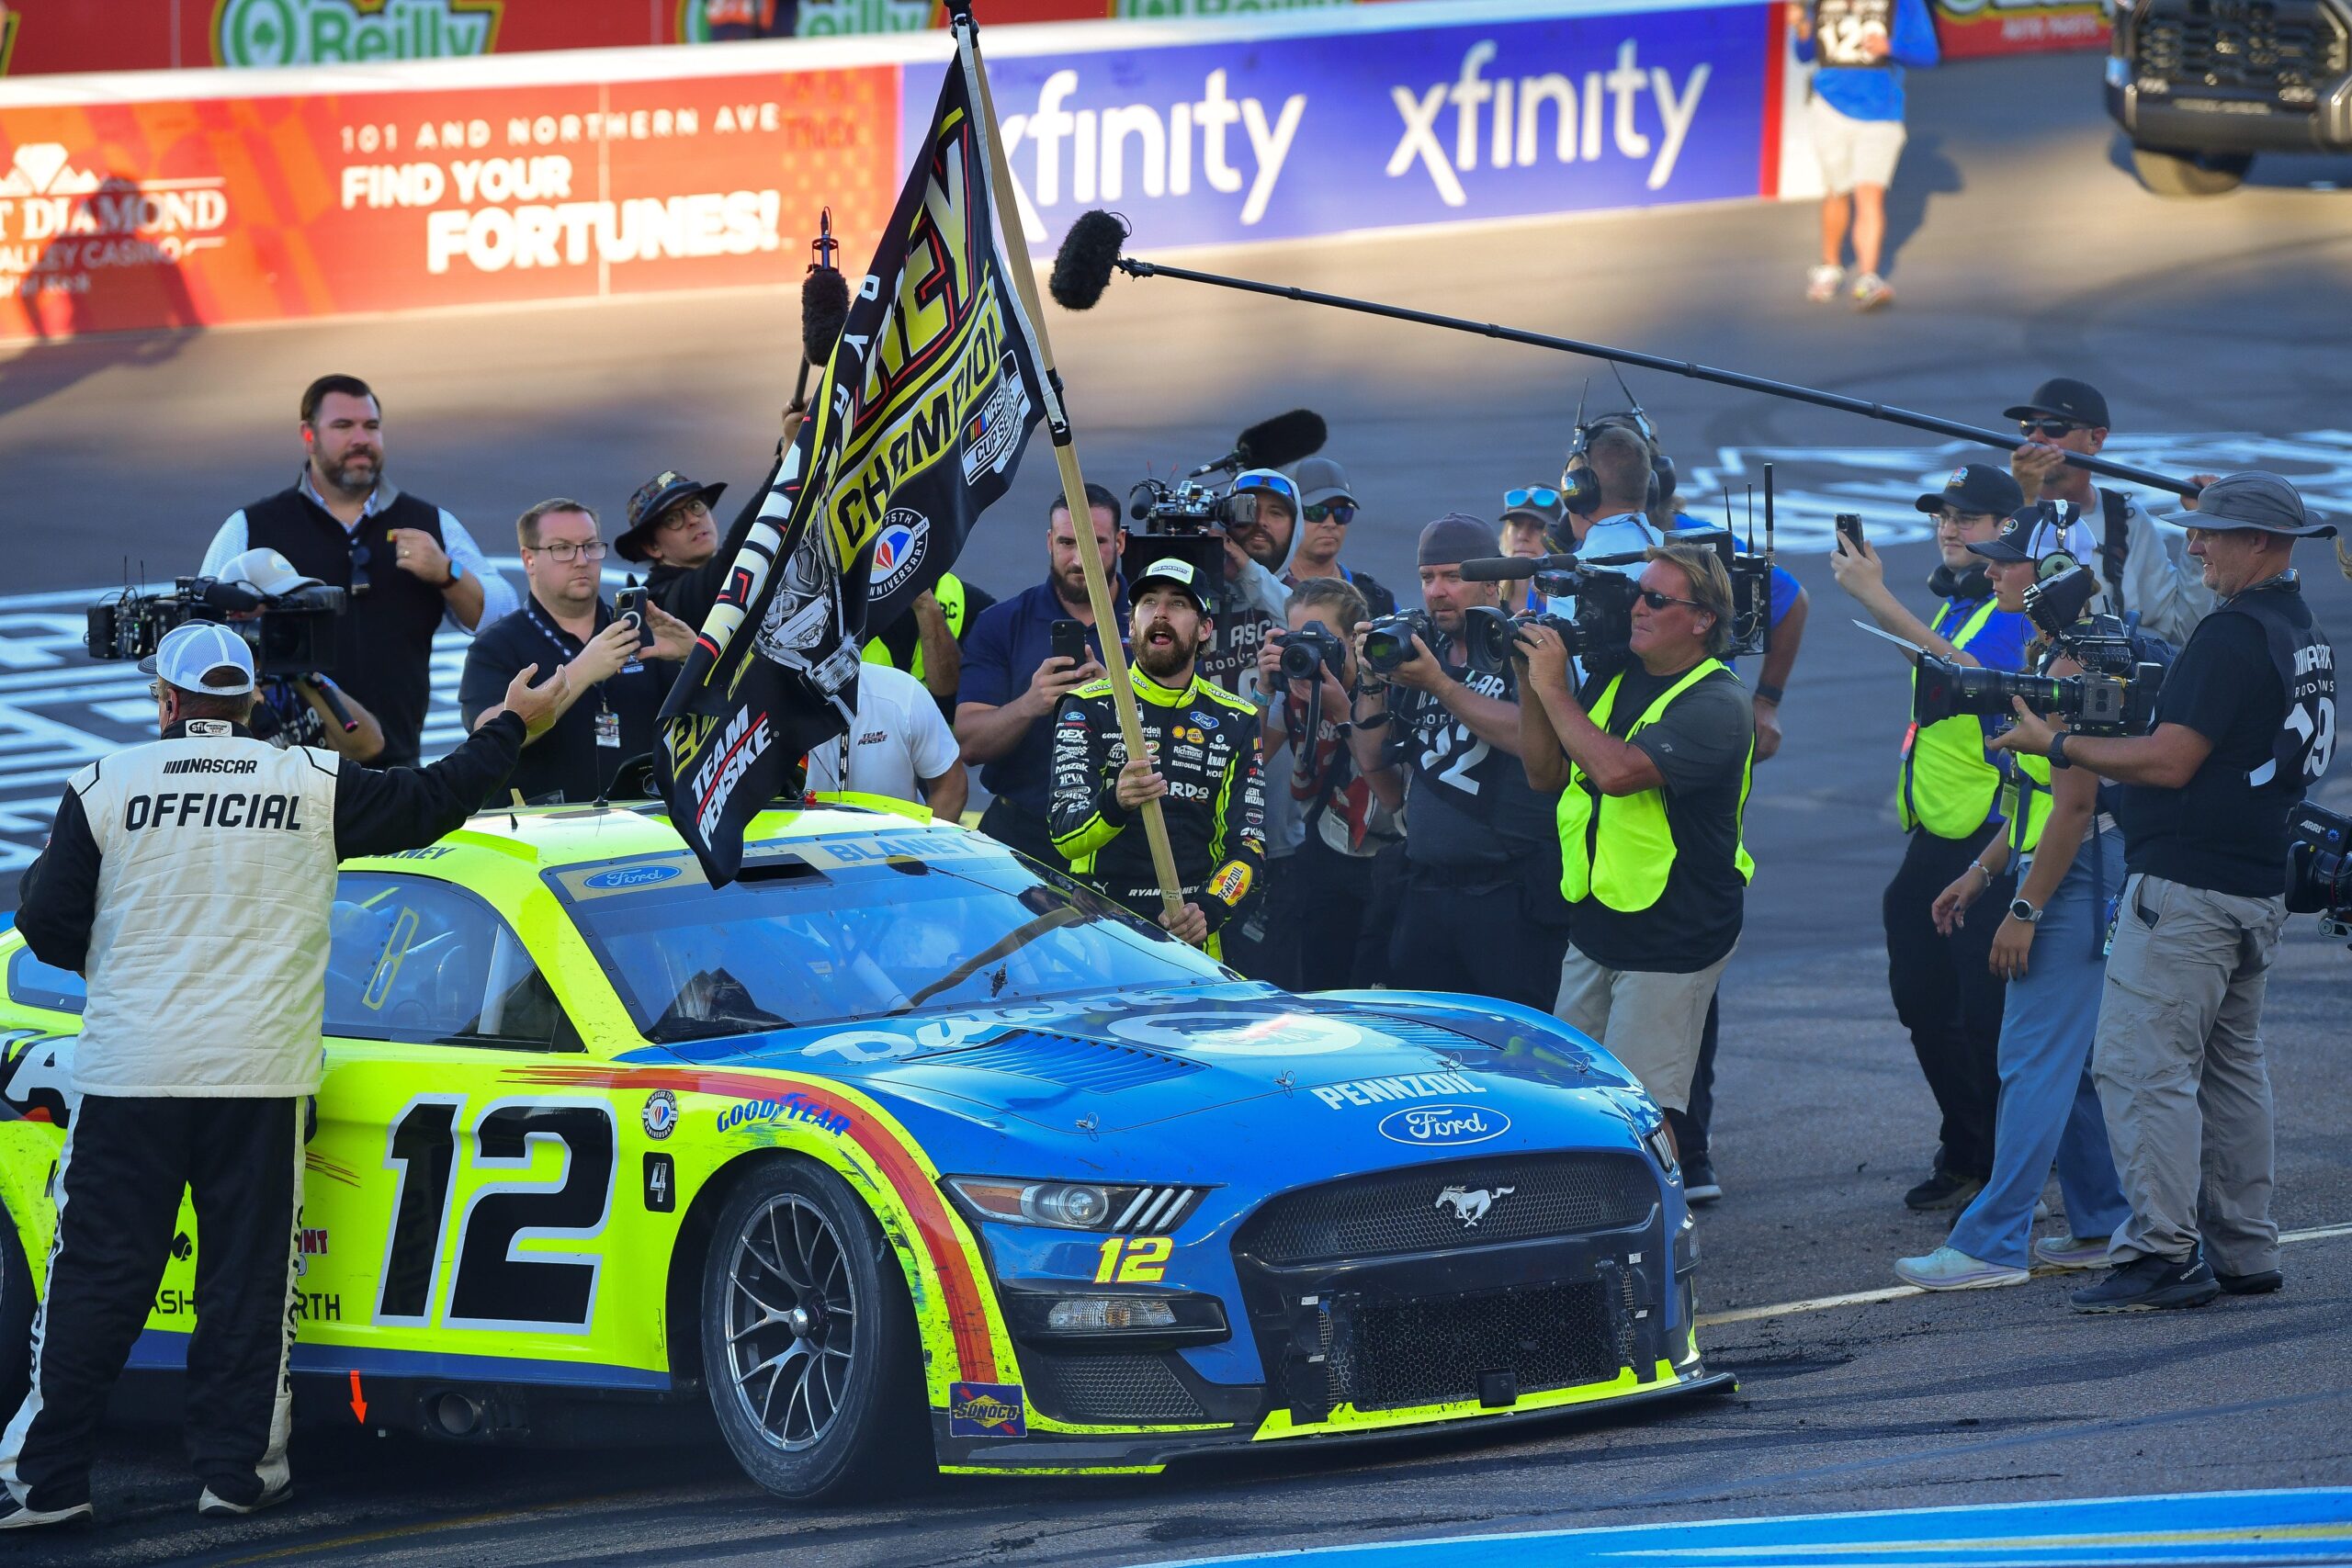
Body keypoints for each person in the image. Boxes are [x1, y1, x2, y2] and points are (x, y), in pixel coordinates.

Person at [0, 622, 556, 1532]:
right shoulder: (310, 781)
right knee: (248, 1282)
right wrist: (510, 727)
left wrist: (132, 962)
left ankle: (47, 1482)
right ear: (253, 701)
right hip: (261, 1074)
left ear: (168, 705)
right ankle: (237, 1474)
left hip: (132, 1072)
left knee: (98, 1280)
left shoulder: (105, 785)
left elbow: (49, 925)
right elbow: (435, 801)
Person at [1990, 473, 2337, 1313]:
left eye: (2211, 533)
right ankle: (2244, 1247)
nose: (2194, 545)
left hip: (2189, 890)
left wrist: (2060, 740)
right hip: (2254, 884)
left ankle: (2160, 1251)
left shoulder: (2230, 635)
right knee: (2229, 1071)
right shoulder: (2301, 630)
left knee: (2142, 1066)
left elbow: (2173, 759)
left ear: (2261, 543)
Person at [1897, 513, 2131, 1291]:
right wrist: (1981, 873)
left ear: (2050, 577)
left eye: (2005, 562)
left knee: (2028, 1059)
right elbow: (2030, 800)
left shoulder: (2073, 670)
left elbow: (2073, 807)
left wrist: (2025, 908)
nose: (1988, 570)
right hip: (2063, 867)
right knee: (2070, 1065)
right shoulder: (2049, 654)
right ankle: (2104, 1219)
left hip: (2075, 877)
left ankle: (1993, 1240)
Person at [1830, 462, 2030, 1213]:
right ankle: (1968, 1144)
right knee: (1920, 995)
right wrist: (1887, 608)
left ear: (2006, 532)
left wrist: (1877, 596)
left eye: (1968, 517)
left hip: (1991, 836)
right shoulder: (1961, 607)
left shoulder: (2016, 610)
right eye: (1943, 515)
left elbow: (1977, 680)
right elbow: (1936, 666)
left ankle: (2004, 1163)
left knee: (1985, 1018)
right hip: (1935, 836)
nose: (1949, 527)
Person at [1517, 544, 1755, 1136]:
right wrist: (1528, 679)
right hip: (1599, 925)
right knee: (1566, 1095)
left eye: (1656, 599)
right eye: (1636, 595)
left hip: (1674, 936)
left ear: (1702, 620)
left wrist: (1554, 689)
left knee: (1640, 1114)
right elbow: (1544, 774)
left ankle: (1661, 1224)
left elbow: (1618, 774)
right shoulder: (1614, 676)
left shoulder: (1717, 703)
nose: (1637, 609)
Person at [201, 374, 518, 768]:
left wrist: (447, 572)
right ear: (308, 434)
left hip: (397, 766)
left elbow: (502, 617)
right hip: (279, 770)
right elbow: (201, 631)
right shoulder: (251, 526)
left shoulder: (429, 523)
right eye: (343, 426)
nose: (360, 439)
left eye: (371, 426)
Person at [1349, 514, 1568, 1011]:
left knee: (1515, 1055)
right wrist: (1371, 681)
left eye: (1452, 577)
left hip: (1509, 897)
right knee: (1427, 1048)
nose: (1437, 592)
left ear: (1493, 583)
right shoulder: (1425, 649)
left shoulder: (1526, 645)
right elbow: (1372, 759)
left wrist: (1442, 687)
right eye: (1428, 578)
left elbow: (1536, 740)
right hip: (1426, 889)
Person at [1048, 558, 1266, 955]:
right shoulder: (1087, 706)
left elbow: (1248, 847)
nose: (1161, 614)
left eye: (1178, 603)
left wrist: (1210, 910)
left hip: (1189, 938)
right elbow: (1064, 834)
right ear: (1131, 626)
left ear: (1204, 629)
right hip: (1097, 933)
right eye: (1148, 603)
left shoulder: (1237, 719)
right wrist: (1116, 802)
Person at [458, 499, 697, 806]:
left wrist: (692, 657)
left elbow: (709, 727)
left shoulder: (638, 631)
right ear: (528, 559)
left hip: (644, 829)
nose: (581, 559)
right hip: (547, 836)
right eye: (562, 548)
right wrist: (583, 669)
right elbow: (489, 734)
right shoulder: (495, 647)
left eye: (589, 546)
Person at [956, 486, 1126, 864]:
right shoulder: (1001, 624)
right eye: (1068, 542)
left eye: (1095, 542)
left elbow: (1187, 733)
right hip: (1020, 834)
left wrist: (1113, 703)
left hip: (1123, 839)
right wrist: (1029, 704)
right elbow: (969, 745)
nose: (1080, 559)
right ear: (1049, 542)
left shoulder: (1154, 626)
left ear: (1121, 541)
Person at [1256, 578, 1402, 991]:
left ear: (1355, 637)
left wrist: (1342, 710)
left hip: (1382, 859)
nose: (1310, 652)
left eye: (1322, 639)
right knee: (1321, 988)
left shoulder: (1385, 686)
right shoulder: (1295, 683)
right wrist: (1266, 689)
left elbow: (1393, 793)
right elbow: (1251, 759)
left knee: (1372, 995)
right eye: (1298, 638)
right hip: (1324, 852)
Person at [2003, 377, 2219, 649]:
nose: (2035, 437)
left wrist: (2200, 529)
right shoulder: (2003, 513)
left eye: (2054, 427)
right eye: (2028, 427)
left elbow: (2182, 629)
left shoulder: (2126, 519)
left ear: (2095, 439)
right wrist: (2024, 497)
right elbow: (2003, 610)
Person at [1790, 0, 1939, 310]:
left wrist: (1891, 45)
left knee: (1869, 193)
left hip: (1881, 112)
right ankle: (1830, 266)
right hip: (1828, 108)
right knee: (1836, 191)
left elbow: (1928, 54)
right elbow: (1805, 54)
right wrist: (1800, 27)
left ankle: (1868, 277)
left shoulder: (1906, 4)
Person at [616, 409, 804, 632]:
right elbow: (734, 563)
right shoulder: (661, 604)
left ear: (712, 517)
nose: (692, 520)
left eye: (695, 507)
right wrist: (786, 460)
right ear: (653, 547)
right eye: (673, 519)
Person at [210, 547, 388, 763]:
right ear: (237, 613)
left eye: (297, 602)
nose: (294, 613)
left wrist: (306, 677)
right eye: (281, 603)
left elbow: (368, 747)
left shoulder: (301, 675)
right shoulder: (213, 688)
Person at [803, 660, 969, 820]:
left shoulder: (900, 692)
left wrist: (921, 847)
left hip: (899, 846)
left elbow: (951, 786)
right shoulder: (777, 701)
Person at [1198, 467, 1302, 703]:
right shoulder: (1197, 592)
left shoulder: (1301, 595)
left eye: (1276, 513)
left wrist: (1248, 572)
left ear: (1297, 528)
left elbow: (1308, 626)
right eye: (1248, 509)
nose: (1260, 522)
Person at [861, 574, 997, 720]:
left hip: (935, 739)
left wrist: (926, 605)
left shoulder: (977, 608)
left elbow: (956, 709)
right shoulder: (841, 602)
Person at [1286, 458, 1397, 617]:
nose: (1331, 523)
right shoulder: (1261, 591)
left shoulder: (1378, 601)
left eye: (1342, 512)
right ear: (1289, 514)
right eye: (1316, 511)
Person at [1499, 490, 1565, 614]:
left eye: (1538, 526)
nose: (1522, 535)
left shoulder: (1570, 603)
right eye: (1516, 525)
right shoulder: (1487, 595)